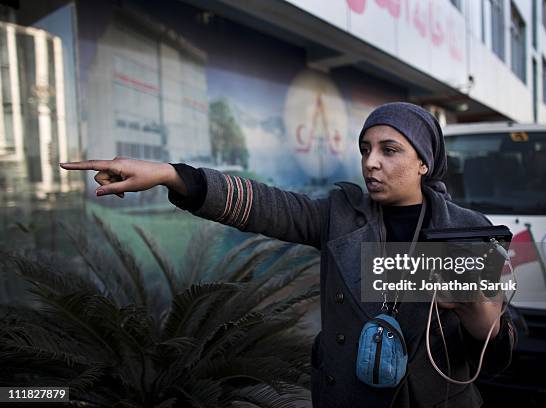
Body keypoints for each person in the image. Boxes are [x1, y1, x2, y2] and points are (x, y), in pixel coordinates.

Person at [60, 102, 515, 408]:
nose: (371, 162)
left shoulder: (467, 231)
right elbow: (264, 206)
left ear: (424, 162)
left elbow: (498, 345)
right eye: (365, 149)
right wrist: (171, 176)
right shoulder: (340, 214)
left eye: (389, 150)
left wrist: (482, 324)